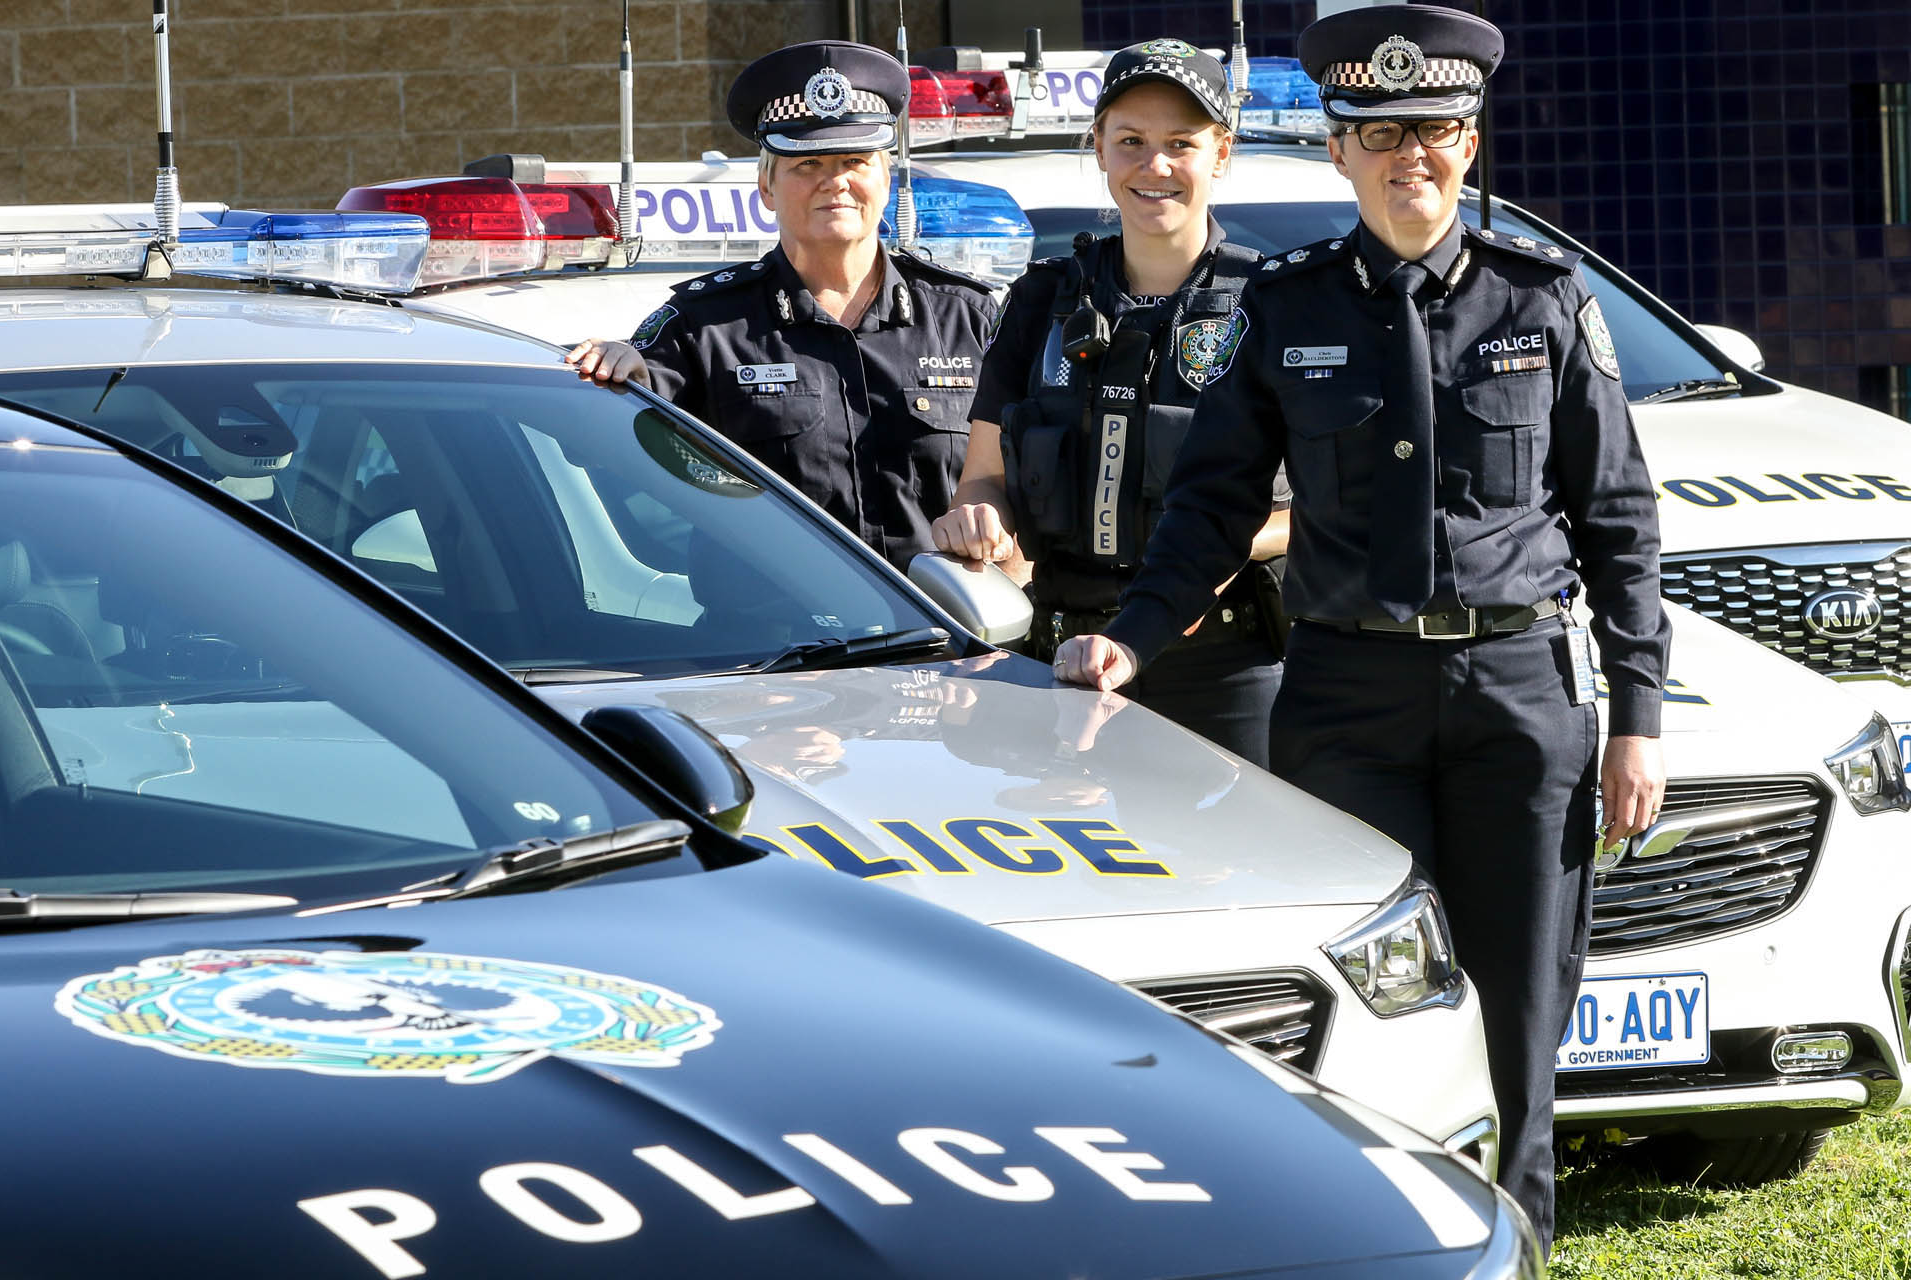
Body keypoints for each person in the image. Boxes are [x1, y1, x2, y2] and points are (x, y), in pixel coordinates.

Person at [1052, 5, 1670, 1253]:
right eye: (1377, 133)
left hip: (1518, 696)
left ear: (1472, 142)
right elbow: (1214, 505)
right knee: (1356, 990)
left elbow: (1619, 520)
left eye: (1433, 131)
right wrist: (1135, 633)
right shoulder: (1284, 307)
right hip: (1346, 700)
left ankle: (1520, 1244)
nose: (1409, 157)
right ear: (1337, 152)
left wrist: (1638, 719)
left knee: (1521, 1005)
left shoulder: (1542, 300)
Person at [927, 39, 1287, 769]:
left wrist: (1191, 559)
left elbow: (1319, 508)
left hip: (1220, 666)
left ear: (1221, 153)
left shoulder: (1276, 305)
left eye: (1180, 144)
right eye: (1130, 142)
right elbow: (985, 477)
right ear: (1098, 147)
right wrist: (981, 523)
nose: (1154, 166)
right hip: (1058, 668)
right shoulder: (1039, 301)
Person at [567, 41, 997, 571]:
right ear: (766, 186)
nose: (833, 181)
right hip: (778, 642)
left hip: (948, 633)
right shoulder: (705, 328)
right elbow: (609, 441)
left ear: (886, 178)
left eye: (855, 161)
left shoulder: (965, 318)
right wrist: (619, 362)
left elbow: (1024, 481)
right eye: (806, 163)